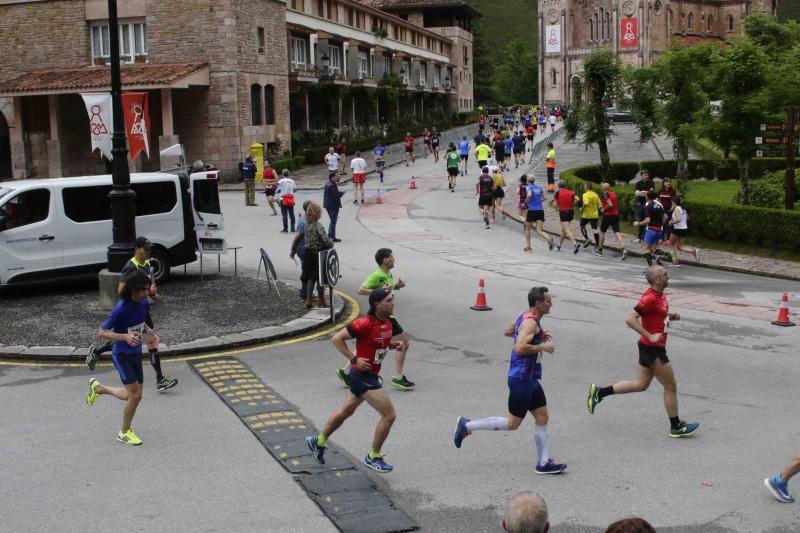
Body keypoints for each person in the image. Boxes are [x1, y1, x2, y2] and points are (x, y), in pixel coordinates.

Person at [454, 287, 567, 475]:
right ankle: (467, 425)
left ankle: (543, 463)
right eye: (548, 301)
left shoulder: (525, 317)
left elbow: (509, 331)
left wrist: (537, 336)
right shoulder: (531, 323)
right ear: (538, 304)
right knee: (512, 423)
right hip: (522, 379)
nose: (551, 304)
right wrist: (542, 347)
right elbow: (520, 348)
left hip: (530, 378)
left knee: (542, 417)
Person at [587, 265, 700, 438]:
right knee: (671, 386)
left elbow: (656, 317)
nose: (668, 277)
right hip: (653, 349)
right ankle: (676, 426)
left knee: (641, 385)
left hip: (651, 347)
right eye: (665, 275)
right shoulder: (649, 298)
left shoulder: (660, 296)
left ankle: (599, 392)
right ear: (657, 280)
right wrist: (650, 336)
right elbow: (630, 319)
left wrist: (670, 317)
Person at [306, 287, 404, 473]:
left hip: (370, 375)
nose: (393, 303)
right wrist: (354, 359)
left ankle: (318, 441)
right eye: (389, 300)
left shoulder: (389, 323)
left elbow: (377, 344)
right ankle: (373, 456)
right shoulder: (364, 323)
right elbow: (336, 339)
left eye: (393, 299)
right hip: (362, 376)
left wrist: (392, 345)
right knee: (389, 415)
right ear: (378, 304)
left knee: (345, 411)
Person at [86, 237, 177, 393]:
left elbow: (152, 294)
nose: (148, 252)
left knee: (151, 341)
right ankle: (97, 352)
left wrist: (153, 293)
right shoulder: (130, 267)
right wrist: (132, 304)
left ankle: (160, 380)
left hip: (143, 309)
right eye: (146, 249)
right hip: (131, 311)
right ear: (137, 249)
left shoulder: (148, 265)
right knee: (132, 341)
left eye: (149, 249)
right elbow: (121, 291)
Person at [86, 270, 158, 446]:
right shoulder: (121, 308)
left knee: (134, 395)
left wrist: (150, 333)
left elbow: (141, 324)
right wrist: (124, 337)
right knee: (135, 395)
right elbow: (102, 331)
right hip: (122, 355)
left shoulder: (142, 304)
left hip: (135, 353)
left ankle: (99, 389)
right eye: (144, 290)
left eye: (148, 289)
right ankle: (124, 432)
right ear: (134, 290)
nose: (147, 292)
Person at [336, 248, 415, 391]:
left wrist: (396, 286)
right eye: (391, 256)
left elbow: (387, 291)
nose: (394, 258)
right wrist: (379, 292)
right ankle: (398, 377)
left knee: (369, 343)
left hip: (384, 314)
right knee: (404, 343)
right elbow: (361, 290)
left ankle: (346, 370)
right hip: (385, 315)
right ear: (385, 259)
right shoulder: (377, 275)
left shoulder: (388, 274)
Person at [302, 203, 333, 308]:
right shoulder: (318, 225)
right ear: (318, 214)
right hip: (317, 254)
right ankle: (321, 300)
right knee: (320, 278)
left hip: (308, 253)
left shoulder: (306, 225)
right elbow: (325, 240)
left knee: (311, 278)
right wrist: (331, 243)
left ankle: (308, 300)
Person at [633, 190, 665, 267]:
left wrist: (639, 223)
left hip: (651, 230)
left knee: (647, 249)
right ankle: (660, 259)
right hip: (659, 230)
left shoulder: (648, 206)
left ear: (647, 197)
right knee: (653, 249)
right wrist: (661, 225)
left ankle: (651, 267)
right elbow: (665, 217)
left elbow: (648, 220)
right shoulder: (659, 205)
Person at [667, 195, 700, 267]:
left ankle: (675, 262)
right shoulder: (683, 209)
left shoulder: (676, 209)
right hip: (684, 229)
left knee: (670, 245)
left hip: (677, 229)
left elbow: (678, 219)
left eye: (671, 202)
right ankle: (693, 251)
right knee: (679, 247)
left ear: (673, 202)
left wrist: (671, 222)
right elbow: (687, 218)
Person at [524, 176, 554, 252]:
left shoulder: (528, 187)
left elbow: (530, 195)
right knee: (539, 230)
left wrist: (526, 201)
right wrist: (538, 201)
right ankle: (549, 238)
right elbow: (544, 198)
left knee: (527, 229)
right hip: (540, 210)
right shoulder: (539, 188)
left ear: (528, 181)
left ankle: (529, 247)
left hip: (532, 210)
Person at [598, 182, 628, 259]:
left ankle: (600, 250)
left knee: (602, 232)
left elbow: (610, 204)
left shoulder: (605, 194)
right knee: (617, 232)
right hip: (615, 215)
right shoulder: (613, 194)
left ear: (603, 189)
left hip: (608, 216)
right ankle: (623, 249)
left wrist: (603, 209)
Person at [290, 201, 313, 300]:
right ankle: (304, 293)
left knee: (308, 271)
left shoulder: (309, 219)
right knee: (306, 272)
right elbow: (297, 238)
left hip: (309, 249)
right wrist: (293, 250)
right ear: (308, 209)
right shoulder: (304, 222)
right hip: (304, 250)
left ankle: (306, 292)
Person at [550, 180, 580, 254]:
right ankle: (559, 245)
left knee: (566, 229)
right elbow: (578, 199)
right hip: (571, 212)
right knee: (564, 230)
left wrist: (558, 207)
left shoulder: (557, 193)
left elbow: (554, 204)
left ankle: (575, 243)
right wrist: (572, 204)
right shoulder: (571, 192)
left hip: (564, 212)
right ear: (565, 185)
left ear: (558, 186)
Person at [580, 182, 601, 253]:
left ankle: (587, 239)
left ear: (587, 187)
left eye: (585, 186)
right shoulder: (595, 195)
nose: (584, 187)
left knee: (582, 225)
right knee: (594, 229)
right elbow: (600, 205)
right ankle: (597, 244)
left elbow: (586, 203)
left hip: (586, 215)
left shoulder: (585, 195)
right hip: (595, 215)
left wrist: (582, 208)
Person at [323, 171, 344, 242]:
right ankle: (332, 236)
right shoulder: (331, 185)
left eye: (338, 176)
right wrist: (342, 193)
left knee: (332, 220)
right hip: (333, 205)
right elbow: (336, 195)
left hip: (328, 205)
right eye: (337, 176)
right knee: (333, 221)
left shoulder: (328, 183)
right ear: (332, 177)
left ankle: (330, 235)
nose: (338, 177)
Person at [633, 171, 652, 243]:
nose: (647, 176)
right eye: (645, 175)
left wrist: (642, 192)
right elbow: (637, 194)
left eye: (647, 175)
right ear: (641, 176)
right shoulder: (638, 183)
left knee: (647, 220)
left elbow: (651, 193)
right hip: (640, 203)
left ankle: (645, 237)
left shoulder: (651, 183)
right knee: (641, 219)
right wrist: (646, 193)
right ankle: (639, 236)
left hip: (648, 203)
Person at [658, 178, 677, 242]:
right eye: (667, 182)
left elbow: (674, 200)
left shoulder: (672, 191)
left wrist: (672, 207)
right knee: (662, 223)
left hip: (669, 210)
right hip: (662, 210)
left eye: (669, 182)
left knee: (668, 224)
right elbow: (658, 199)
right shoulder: (660, 190)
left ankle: (668, 238)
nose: (668, 183)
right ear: (664, 183)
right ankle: (661, 237)